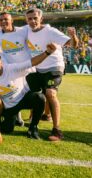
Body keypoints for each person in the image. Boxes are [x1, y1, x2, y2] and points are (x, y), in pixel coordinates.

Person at [0, 42, 58, 140]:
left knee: (39, 98)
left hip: (24, 98)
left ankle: (33, 127)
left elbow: (32, 62)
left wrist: (47, 52)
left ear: (1, 62)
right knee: (6, 129)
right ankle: (12, 119)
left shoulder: (11, 68)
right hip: (10, 107)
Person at [25, 8, 79, 141]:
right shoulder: (26, 31)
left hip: (54, 67)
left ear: (41, 19)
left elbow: (73, 45)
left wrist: (73, 36)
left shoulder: (50, 31)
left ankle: (57, 130)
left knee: (50, 93)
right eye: (29, 19)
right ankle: (45, 115)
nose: (32, 21)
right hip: (38, 68)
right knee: (34, 91)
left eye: (35, 18)